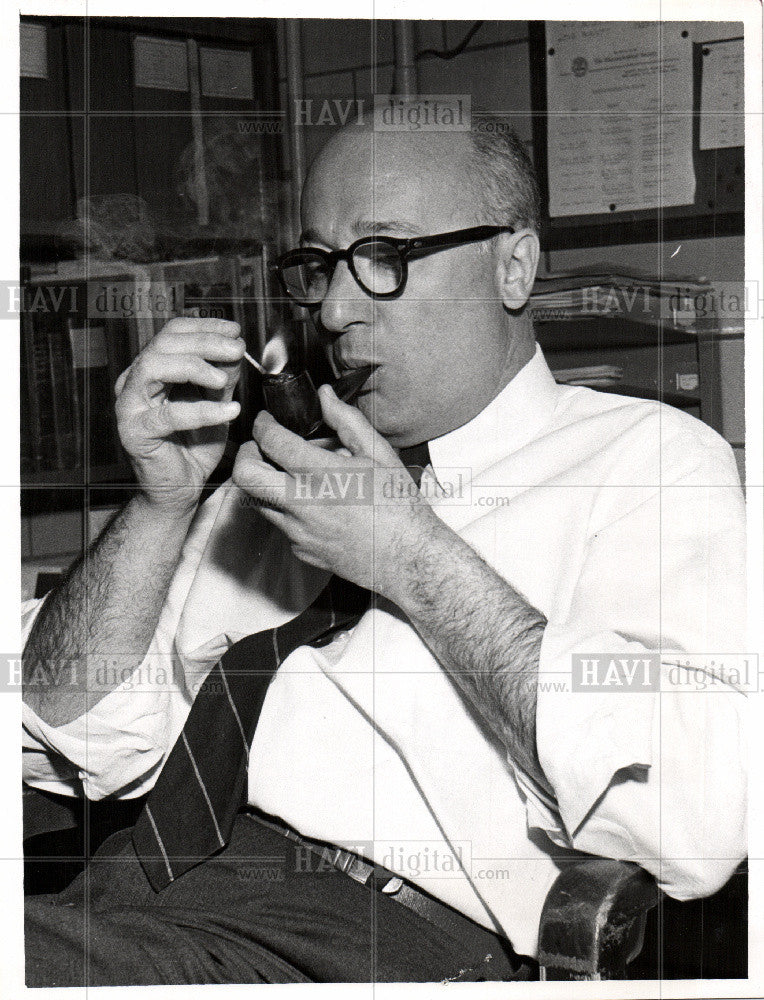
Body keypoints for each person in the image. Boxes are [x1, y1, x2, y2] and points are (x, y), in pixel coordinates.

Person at [22, 119, 747, 985]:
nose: (332, 309)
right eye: (321, 265)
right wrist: (159, 504)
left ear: (513, 266)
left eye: (385, 255)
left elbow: (698, 824)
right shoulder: (289, 471)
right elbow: (74, 735)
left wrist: (412, 558)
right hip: (134, 896)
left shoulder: (649, 463)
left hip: (370, 938)